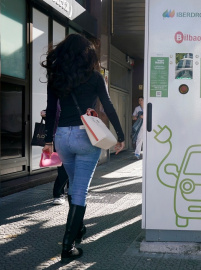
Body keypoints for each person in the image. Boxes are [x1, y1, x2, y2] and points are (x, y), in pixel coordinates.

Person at [41, 33, 125, 263]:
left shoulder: (56, 77)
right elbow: (108, 106)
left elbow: (50, 110)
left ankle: (78, 229)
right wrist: (121, 136)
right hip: (86, 138)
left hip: (62, 137)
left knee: (73, 185)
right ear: (87, 54)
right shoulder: (95, 77)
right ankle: (67, 247)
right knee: (79, 191)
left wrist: (48, 141)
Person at [41, 108, 68, 205]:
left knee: (76, 168)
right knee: (64, 169)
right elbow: (51, 118)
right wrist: (45, 114)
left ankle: (72, 190)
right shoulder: (59, 101)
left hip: (77, 138)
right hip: (60, 140)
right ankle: (58, 194)